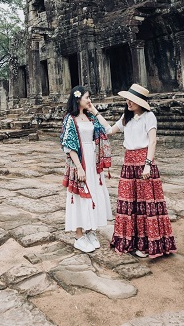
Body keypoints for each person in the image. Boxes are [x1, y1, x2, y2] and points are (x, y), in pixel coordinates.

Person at [96, 83, 176, 258]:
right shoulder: (127, 118)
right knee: (129, 203)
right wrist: (95, 112)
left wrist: (148, 164)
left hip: (144, 163)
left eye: (132, 100)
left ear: (141, 102)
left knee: (146, 204)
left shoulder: (149, 117)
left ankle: (147, 244)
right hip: (129, 163)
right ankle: (130, 241)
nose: (128, 102)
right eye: (127, 99)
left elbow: (152, 141)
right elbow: (109, 130)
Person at [60, 85, 113, 253]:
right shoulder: (70, 119)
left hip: (93, 161)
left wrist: (94, 110)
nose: (89, 100)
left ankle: (90, 230)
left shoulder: (91, 117)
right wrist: (79, 168)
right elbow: (68, 146)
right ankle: (78, 235)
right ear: (78, 99)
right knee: (79, 196)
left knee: (94, 194)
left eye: (90, 98)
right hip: (80, 161)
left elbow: (107, 129)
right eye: (87, 98)